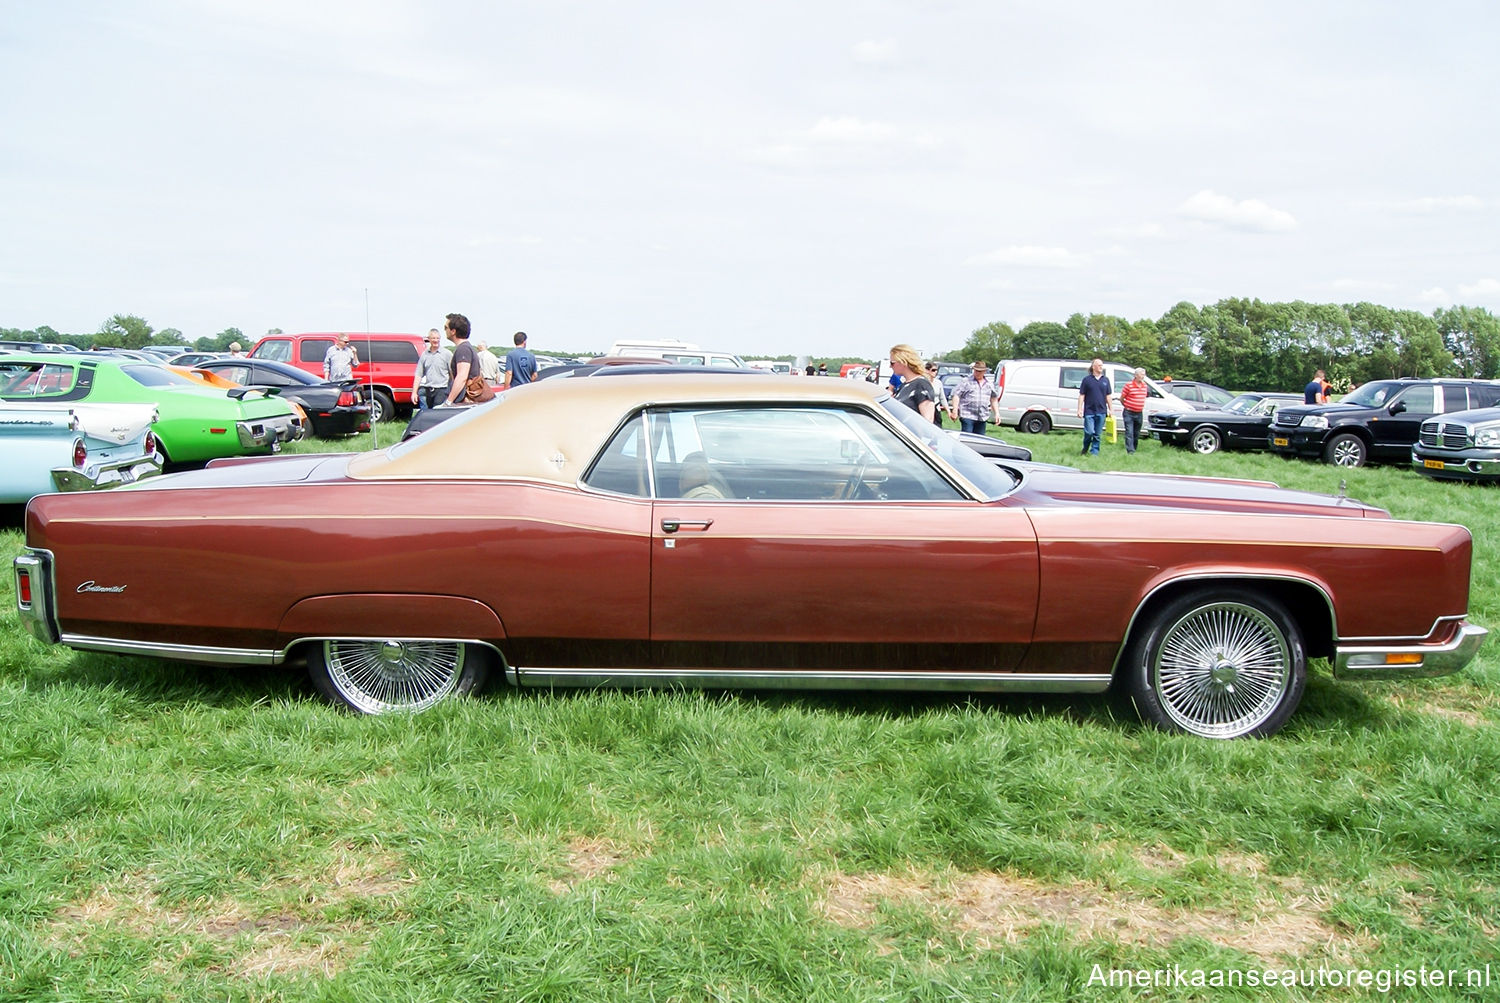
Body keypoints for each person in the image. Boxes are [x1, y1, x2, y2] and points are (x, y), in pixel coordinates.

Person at [948, 360, 998, 435]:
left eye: (980, 371)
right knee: (967, 438)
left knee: (980, 440)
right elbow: (956, 395)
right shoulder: (966, 381)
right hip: (967, 415)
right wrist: (955, 410)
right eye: (976, 371)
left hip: (982, 416)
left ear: (984, 371)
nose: (977, 373)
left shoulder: (989, 384)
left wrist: (997, 413)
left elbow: (993, 399)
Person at [888, 344, 935, 422]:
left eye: (892, 363)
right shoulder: (903, 386)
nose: (890, 366)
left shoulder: (921, 385)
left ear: (903, 362)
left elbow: (928, 420)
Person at [1077, 358, 1113, 455]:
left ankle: (1094, 453)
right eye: (1099, 365)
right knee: (1089, 432)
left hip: (1101, 411)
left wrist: (1111, 409)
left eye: (1102, 365)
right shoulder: (1087, 380)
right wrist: (1079, 409)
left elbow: (1108, 396)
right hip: (1089, 411)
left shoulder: (1105, 380)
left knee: (1097, 434)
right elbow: (1082, 395)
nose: (1101, 367)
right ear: (1093, 367)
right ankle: (1085, 448)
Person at [443, 313, 479, 405]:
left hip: (466, 400)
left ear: (453, 331)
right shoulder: (465, 347)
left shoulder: (463, 349)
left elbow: (462, 377)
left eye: (446, 327)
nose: (444, 330)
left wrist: (449, 401)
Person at [414, 328, 451, 410]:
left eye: (437, 338)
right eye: (433, 338)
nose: (435, 340)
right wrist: (414, 392)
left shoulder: (447, 354)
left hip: (442, 389)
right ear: (429, 339)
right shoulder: (425, 354)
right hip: (429, 390)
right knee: (429, 414)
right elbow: (418, 374)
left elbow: (453, 374)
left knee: (437, 412)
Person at [1120, 367, 1149, 454]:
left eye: (1144, 374)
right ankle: (1130, 451)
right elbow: (1122, 398)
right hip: (1129, 412)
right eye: (1141, 374)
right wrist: (1126, 405)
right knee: (1129, 432)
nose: (1143, 376)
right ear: (1136, 375)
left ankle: (1134, 448)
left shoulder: (1145, 386)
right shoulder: (1128, 385)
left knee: (1136, 433)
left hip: (1139, 412)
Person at [924, 362, 948, 426]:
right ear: (927, 370)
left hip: (936, 410)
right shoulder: (922, 382)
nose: (935, 372)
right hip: (925, 410)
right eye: (933, 370)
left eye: (937, 370)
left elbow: (942, 398)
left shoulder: (938, 382)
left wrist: (948, 411)